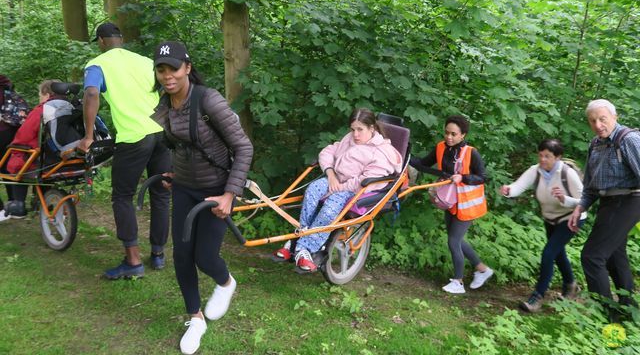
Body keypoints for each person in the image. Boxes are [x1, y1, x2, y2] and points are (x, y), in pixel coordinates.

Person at [152, 41, 253, 355]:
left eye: (174, 68)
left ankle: (225, 283)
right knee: (181, 256)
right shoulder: (165, 105)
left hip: (216, 190)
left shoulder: (208, 100)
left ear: (188, 68)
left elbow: (244, 148)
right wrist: (173, 174)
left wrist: (229, 194)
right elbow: (179, 147)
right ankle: (195, 318)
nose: (168, 76)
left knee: (205, 258)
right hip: (183, 187)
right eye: (161, 69)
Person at [78, 22, 171, 279]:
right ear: (121, 38)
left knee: (122, 196)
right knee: (161, 194)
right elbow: (166, 86)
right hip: (162, 132)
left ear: (101, 41)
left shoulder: (97, 64)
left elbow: (92, 92)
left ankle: (133, 262)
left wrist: (88, 136)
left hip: (133, 137)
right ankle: (158, 254)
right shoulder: (144, 61)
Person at [274, 108, 403, 273]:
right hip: (334, 179)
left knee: (329, 209)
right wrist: (330, 174)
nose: (355, 134)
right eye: (352, 129)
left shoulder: (382, 152)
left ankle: (302, 247)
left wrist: (339, 187)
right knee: (312, 190)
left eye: (360, 130)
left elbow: (366, 181)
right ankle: (299, 244)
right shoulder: (349, 139)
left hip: (354, 189)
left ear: (372, 129)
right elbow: (328, 152)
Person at [568, 99, 640, 322]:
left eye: (602, 119)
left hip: (629, 200)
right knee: (613, 256)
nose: (598, 124)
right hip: (608, 203)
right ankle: (629, 310)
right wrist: (580, 207)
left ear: (614, 117)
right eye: (593, 121)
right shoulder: (596, 144)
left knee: (592, 256)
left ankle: (607, 314)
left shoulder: (628, 139)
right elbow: (590, 184)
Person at [500, 139, 586, 312]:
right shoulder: (536, 171)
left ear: (558, 157)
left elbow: (584, 201)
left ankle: (537, 296)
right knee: (558, 253)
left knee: (548, 253)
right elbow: (519, 186)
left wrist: (565, 199)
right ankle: (571, 285)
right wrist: (509, 190)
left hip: (571, 218)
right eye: (540, 155)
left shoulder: (567, 173)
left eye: (547, 156)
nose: (543, 159)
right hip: (550, 219)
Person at [410, 115, 493, 294]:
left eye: (453, 134)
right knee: (457, 240)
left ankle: (458, 282)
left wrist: (463, 177)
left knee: (453, 241)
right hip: (450, 201)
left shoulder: (471, 153)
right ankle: (483, 270)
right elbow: (424, 164)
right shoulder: (441, 147)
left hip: (467, 205)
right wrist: (405, 157)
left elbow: (484, 177)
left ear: (463, 135)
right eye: (447, 133)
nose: (449, 137)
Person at [0, 80, 60, 220]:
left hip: (40, 159)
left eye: (40, 94)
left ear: (46, 94)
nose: (40, 97)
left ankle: (19, 204)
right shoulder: (71, 108)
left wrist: (14, 145)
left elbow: (24, 135)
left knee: (17, 161)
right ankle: (43, 200)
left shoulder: (41, 110)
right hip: (62, 158)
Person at [0, 75, 22, 221]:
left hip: (2, 132)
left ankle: (1, 210)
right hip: (13, 135)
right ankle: (14, 203)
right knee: (9, 168)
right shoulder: (14, 95)